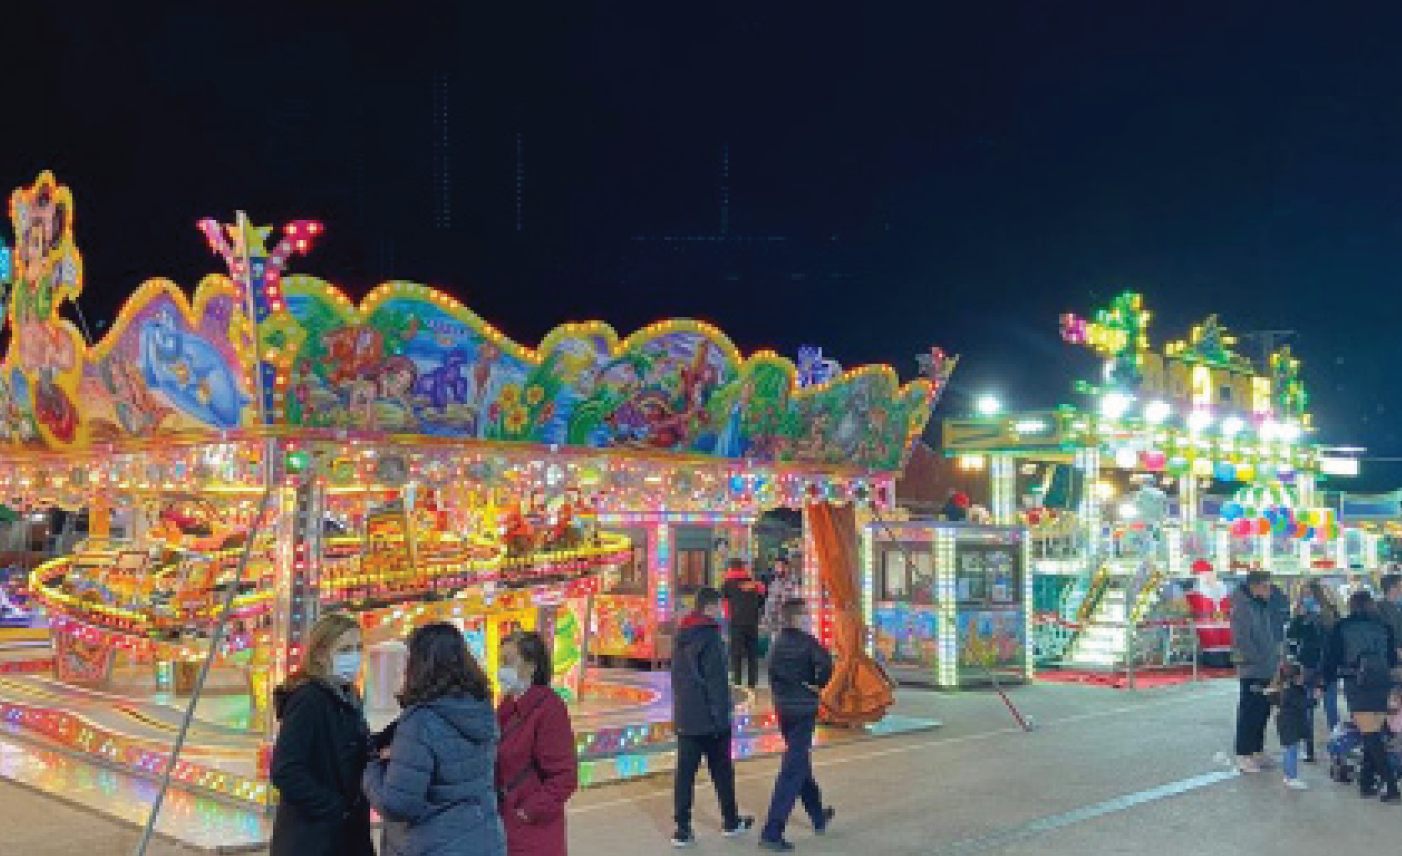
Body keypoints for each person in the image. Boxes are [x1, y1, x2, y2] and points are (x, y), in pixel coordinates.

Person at [363, 622, 506, 855]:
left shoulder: (420, 721)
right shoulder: (480, 709)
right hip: (483, 840)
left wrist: (371, 767)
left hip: (433, 845)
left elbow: (399, 804)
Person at [269, 612, 376, 856]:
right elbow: (285, 769)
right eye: (345, 649)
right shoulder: (309, 699)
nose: (354, 656)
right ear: (319, 654)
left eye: (359, 647)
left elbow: (353, 747)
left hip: (347, 834)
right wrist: (335, 808)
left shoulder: (347, 696)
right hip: (314, 838)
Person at [670, 587, 754, 847]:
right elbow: (716, 682)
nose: (721, 612)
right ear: (709, 607)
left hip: (685, 715)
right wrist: (721, 717)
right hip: (709, 717)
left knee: (685, 774)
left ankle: (682, 829)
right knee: (722, 771)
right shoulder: (711, 637)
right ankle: (730, 821)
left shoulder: (680, 635)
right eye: (719, 607)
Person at [758, 600, 836, 852]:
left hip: (783, 709)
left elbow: (770, 670)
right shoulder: (808, 642)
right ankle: (773, 830)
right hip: (803, 709)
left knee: (799, 762)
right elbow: (826, 665)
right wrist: (816, 684)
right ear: (798, 618)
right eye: (806, 615)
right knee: (793, 769)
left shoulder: (776, 643)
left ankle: (817, 814)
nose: (809, 619)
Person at [495, 630, 578, 856]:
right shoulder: (507, 706)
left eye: (508, 662)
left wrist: (529, 811)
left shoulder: (549, 709)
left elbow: (564, 776)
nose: (501, 670)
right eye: (501, 662)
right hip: (506, 828)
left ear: (531, 666)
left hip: (534, 834)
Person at [1322, 590, 1400, 803]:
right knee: (1372, 733)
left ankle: (1391, 786)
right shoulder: (1385, 627)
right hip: (1382, 684)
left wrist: (1324, 682)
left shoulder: (1343, 627)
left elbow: (1331, 658)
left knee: (1371, 736)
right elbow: (1393, 660)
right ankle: (1366, 783)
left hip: (1357, 685)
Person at [1230, 570, 1284, 773]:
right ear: (1255, 587)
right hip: (1252, 669)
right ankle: (1243, 754)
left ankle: (1257, 750)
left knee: (1263, 711)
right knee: (1249, 711)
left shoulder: (1261, 607)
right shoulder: (1243, 608)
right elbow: (1241, 640)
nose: (1270, 591)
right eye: (1266, 586)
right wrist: (1257, 659)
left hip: (1267, 668)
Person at [1286, 581, 1339, 761]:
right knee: (1306, 707)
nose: (1307, 598)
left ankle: (1337, 744)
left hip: (1326, 664)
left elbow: (1335, 636)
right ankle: (1309, 749)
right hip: (1306, 664)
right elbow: (1292, 636)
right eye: (1304, 594)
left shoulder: (1330, 613)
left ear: (1318, 594)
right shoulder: (1300, 615)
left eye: (1310, 594)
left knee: (1330, 707)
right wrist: (1299, 618)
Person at [721, 559, 765, 689]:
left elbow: (724, 602)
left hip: (736, 622)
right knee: (752, 654)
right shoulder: (753, 583)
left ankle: (737, 683)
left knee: (736, 654)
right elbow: (761, 600)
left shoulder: (727, 583)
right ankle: (752, 684)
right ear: (743, 568)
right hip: (752, 622)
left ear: (731, 568)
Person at [1267, 660, 1311, 790]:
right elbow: (1303, 704)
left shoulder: (1281, 688)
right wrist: (1314, 699)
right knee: (1291, 750)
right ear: (1296, 677)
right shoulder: (1293, 690)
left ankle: (1288, 776)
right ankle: (1291, 777)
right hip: (1290, 723)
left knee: (1289, 749)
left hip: (1284, 722)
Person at [763, 558, 801, 635]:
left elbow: (795, 602)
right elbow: (769, 602)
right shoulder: (774, 582)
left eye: (779, 566)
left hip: (789, 625)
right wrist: (766, 620)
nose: (777, 569)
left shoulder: (795, 582)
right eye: (776, 567)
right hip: (775, 625)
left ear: (787, 567)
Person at [1377, 573, 1402, 663]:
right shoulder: (1381, 608)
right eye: (1400, 585)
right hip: (1392, 656)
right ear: (1392, 588)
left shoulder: (1379, 606)